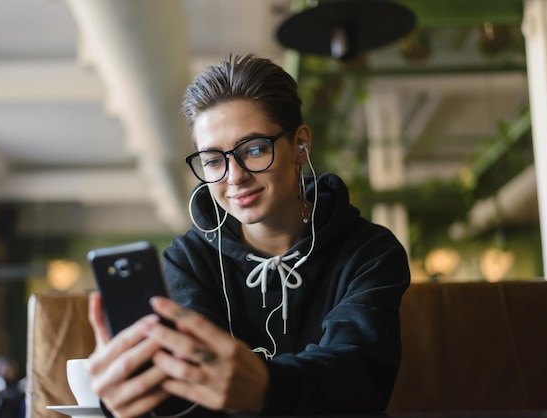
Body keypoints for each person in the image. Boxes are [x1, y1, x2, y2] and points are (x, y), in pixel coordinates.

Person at [87, 53, 410, 417]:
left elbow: (358, 376)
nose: (234, 177)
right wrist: (129, 395)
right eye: (212, 160)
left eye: (254, 149)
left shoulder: (370, 251)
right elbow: (189, 390)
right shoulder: (188, 259)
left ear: (300, 145)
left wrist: (265, 386)